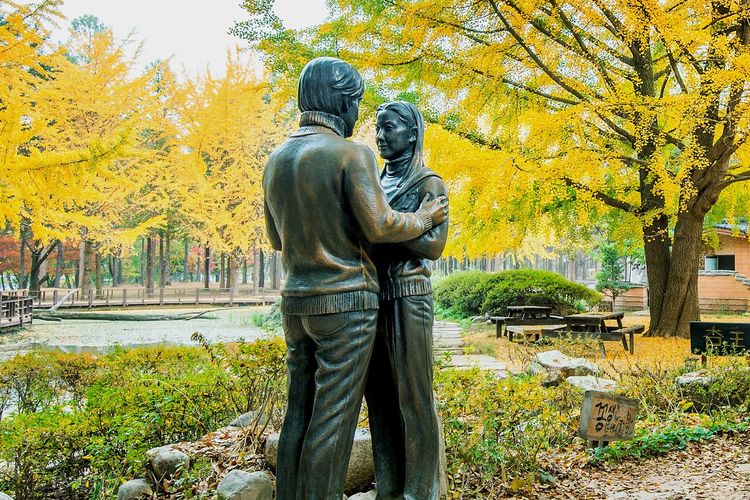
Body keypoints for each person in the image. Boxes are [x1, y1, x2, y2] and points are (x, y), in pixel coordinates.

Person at [263, 58, 448, 500]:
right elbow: (381, 226)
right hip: (346, 304)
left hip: (296, 303)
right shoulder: (351, 154)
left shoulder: (275, 160)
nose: (361, 117)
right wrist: (421, 216)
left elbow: (276, 238)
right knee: (332, 422)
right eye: (358, 103)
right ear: (341, 99)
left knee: (298, 416)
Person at [365, 101, 449, 500]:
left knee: (414, 397)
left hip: (409, 296)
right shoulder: (372, 183)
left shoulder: (428, 183)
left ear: (412, 133)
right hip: (370, 298)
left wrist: (382, 230)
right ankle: (389, 488)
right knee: (379, 398)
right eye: (377, 129)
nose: (380, 136)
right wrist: (403, 225)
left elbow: (433, 246)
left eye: (389, 128)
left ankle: (419, 491)